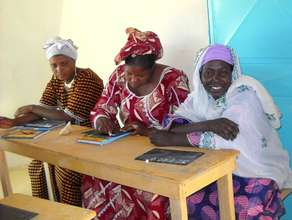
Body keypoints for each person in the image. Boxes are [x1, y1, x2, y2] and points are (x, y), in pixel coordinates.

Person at [150, 44, 292, 219]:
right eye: (208, 72)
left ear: (232, 74)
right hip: (217, 170)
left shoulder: (244, 95)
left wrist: (171, 139)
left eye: (223, 72)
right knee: (187, 198)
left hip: (255, 171)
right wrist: (210, 124)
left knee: (249, 208)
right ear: (200, 74)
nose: (215, 79)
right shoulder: (199, 98)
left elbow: (227, 139)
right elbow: (173, 126)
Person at [81, 28, 190, 219]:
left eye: (140, 76)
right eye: (129, 74)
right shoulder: (118, 76)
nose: (132, 80)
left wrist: (147, 131)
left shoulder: (174, 79)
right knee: (96, 176)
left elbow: (184, 122)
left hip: (163, 151)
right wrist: (103, 120)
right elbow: (103, 105)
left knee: (150, 190)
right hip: (127, 150)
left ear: (153, 67)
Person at [0, 37, 104, 206]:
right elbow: (44, 109)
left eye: (64, 64)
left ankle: (71, 214)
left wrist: (32, 108)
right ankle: (46, 209)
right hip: (66, 136)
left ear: (74, 61)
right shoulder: (57, 79)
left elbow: (67, 116)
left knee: (66, 172)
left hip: (88, 137)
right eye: (54, 65)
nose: (58, 69)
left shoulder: (87, 78)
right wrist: (14, 122)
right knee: (36, 166)